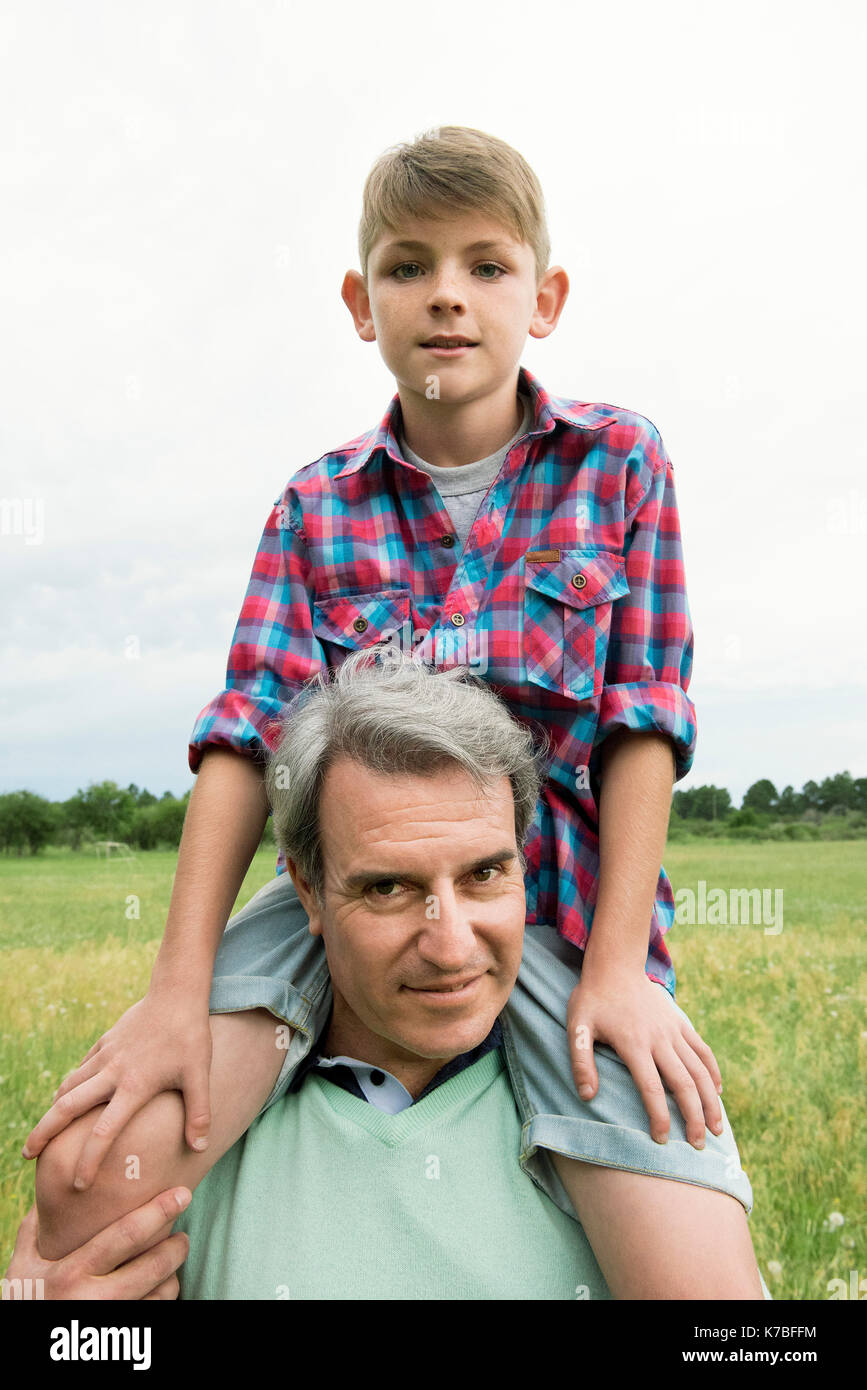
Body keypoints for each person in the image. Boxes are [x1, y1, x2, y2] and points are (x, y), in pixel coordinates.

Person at [24, 126, 759, 1297]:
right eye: (409, 267)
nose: (448, 298)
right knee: (85, 1179)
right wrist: (177, 990)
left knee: (704, 1295)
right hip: (351, 899)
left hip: (556, 907)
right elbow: (244, 736)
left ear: (546, 297)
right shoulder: (317, 505)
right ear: (363, 304)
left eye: (486, 265)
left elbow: (643, 720)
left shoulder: (620, 463)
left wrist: (619, 965)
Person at [13, 654, 766, 1298]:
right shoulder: (189, 1135)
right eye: (386, 888)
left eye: (484, 874)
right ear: (306, 890)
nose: (449, 948)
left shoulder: (629, 1096)